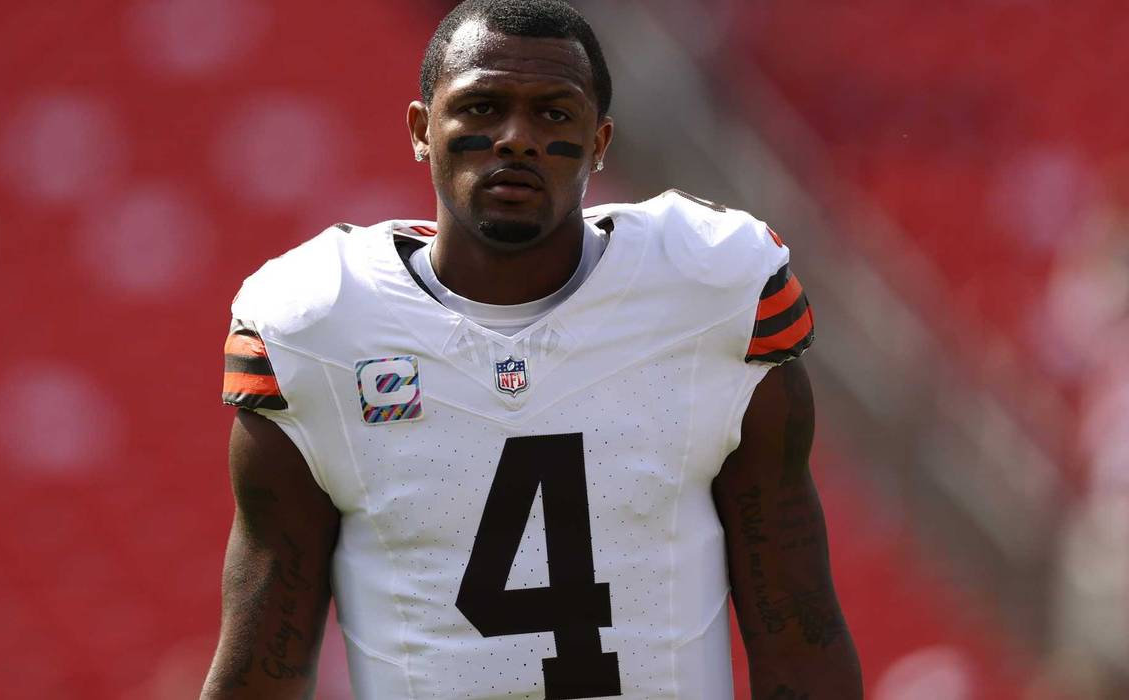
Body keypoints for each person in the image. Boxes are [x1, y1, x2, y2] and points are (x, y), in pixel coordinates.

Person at [201, 1, 862, 698]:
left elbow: (799, 632)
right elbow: (262, 665)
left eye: (553, 113)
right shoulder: (319, 327)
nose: (516, 138)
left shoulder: (710, 293)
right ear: (421, 129)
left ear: (599, 142)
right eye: (481, 107)